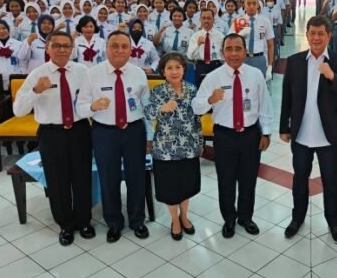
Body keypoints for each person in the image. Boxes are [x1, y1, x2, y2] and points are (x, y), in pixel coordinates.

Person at [13, 31, 94, 246]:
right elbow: (18, 110)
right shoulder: (37, 74)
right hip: (51, 133)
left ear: (72, 48)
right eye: (56, 45)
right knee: (57, 181)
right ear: (47, 48)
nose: (61, 50)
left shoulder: (83, 71)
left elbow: (92, 100)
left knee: (82, 178)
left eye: (66, 46)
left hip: (79, 131)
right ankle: (65, 225)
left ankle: (84, 221)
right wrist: (36, 91)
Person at [279, 16, 337, 244]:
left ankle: (334, 222)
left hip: (328, 134)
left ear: (329, 36)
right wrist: (284, 127)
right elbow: (287, 96)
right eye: (312, 33)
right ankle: (297, 218)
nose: (316, 38)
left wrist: (332, 76)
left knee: (331, 180)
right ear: (307, 35)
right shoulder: (295, 61)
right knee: (299, 178)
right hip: (301, 133)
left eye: (321, 33)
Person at [192, 34, 274, 238]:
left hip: (250, 135)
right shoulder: (213, 77)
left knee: (248, 179)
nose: (234, 53)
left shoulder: (255, 75)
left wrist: (266, 132)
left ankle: (246, 217)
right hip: (224, 135)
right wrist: (210, 100)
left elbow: (265, 105)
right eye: (229, 49)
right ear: (222, 52)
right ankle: (229, 218)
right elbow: (196, 107)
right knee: (226, 179)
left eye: (238, 49)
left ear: (245, 52)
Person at [77, 31, 151, 243]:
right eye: (115, 46)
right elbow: (80, 107)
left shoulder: (138, 73)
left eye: (124, 46)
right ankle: (114, 223)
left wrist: (150, 136)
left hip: (134, 131)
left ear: (130, 50)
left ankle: (137, 220)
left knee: (137, 177)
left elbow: (147, 108)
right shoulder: (92, 74)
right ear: (106, 48)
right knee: (108, 178)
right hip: (105, 132)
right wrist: (93, 106)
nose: (119, 50)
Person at [145, 52, 202, 240]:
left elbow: (197, 119)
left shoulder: (192, 89)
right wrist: (161, 108)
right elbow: (148, 112)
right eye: (169, 68)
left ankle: (184, 216)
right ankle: (174, 220)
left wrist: (200, 142)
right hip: (165, 149)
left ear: (184, 69)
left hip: (189, 147)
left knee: (186, 185)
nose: (174, 71)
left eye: (178, 67)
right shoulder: (158, 90)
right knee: (170, 188)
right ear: (163, 71)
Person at [187, 9, 224, 86]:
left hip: (216, 66)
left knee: (216, 89)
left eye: (209, 18)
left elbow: (224, 55)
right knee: (200, 89)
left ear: (213, 20)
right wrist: (197, 45)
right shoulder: (195, 36)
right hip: (201, 66)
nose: (206, 20)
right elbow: (190, 56)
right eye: (204, 18)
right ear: (200, 19)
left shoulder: (220, 36)